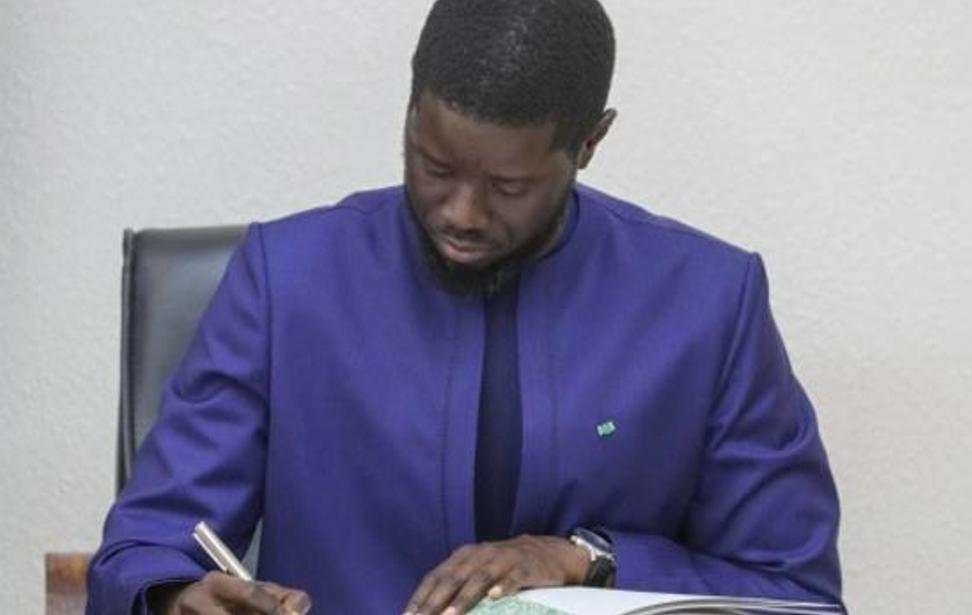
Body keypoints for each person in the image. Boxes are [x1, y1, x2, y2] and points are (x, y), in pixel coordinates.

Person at [87, 0, 843, 613]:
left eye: (508, 187)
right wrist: (174, 595)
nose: (460, 214)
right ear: (410, 110)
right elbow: (145, 544)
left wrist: (588, 560)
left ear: (589, 143)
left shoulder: (708, 304)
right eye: (433, 165)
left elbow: (793, 593)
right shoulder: (285, 279)